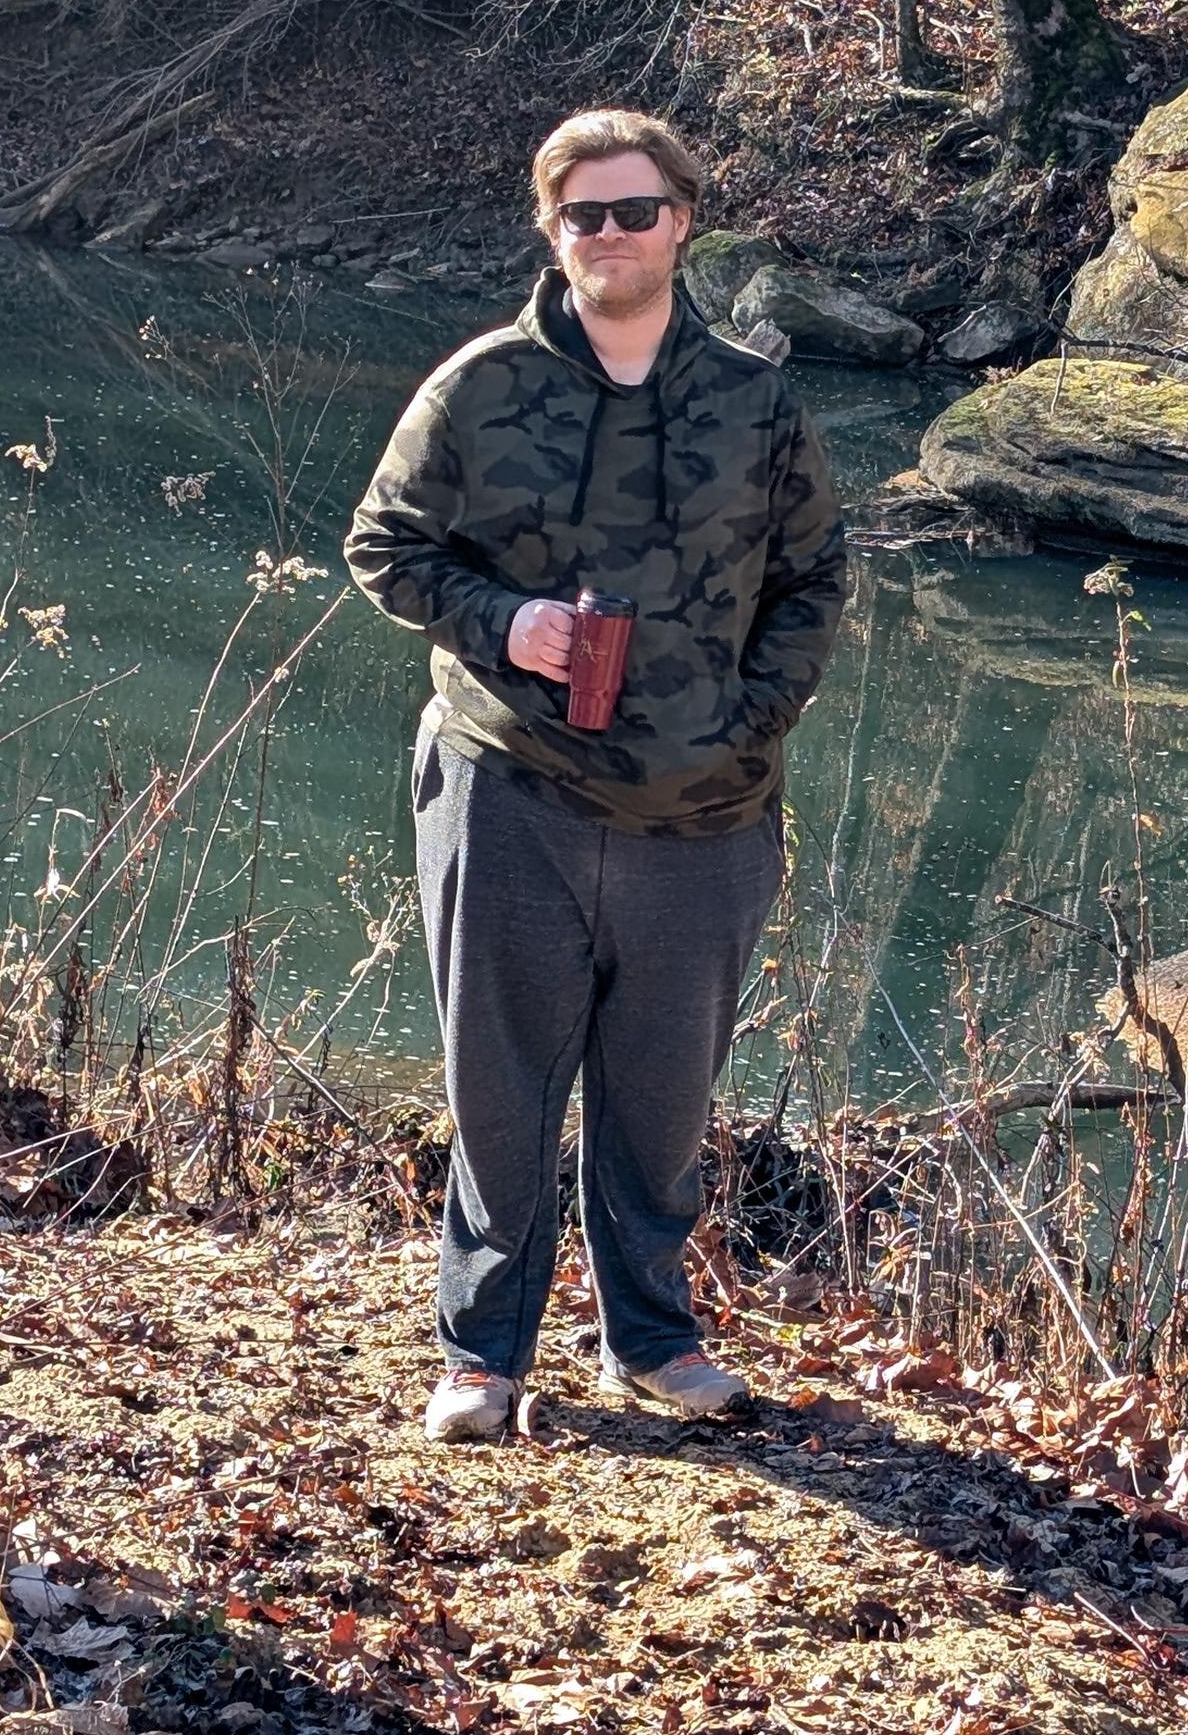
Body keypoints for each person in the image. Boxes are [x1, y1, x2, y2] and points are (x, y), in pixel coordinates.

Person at [346, 108, 847, 1440]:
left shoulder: (755, 401)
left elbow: (815, 578)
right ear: (551, 230)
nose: (609, 236)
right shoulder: (479, 386)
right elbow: (385, 549)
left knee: (663, 1098)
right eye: (583, 215)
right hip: (514, 788)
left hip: (710, 811)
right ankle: (483, 1358)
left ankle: (653, 1345)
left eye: (634, 210)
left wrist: (757, 716)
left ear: (685, 219)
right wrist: (507, 626)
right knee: (500, 1088)